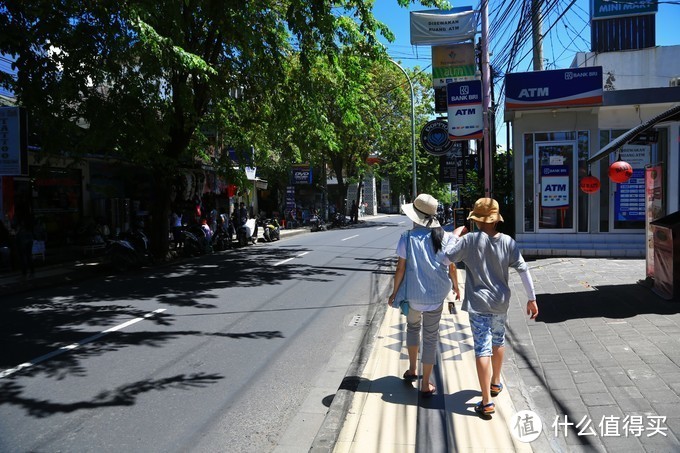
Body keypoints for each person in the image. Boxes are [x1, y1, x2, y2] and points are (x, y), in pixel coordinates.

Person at [444, 198, 538, 417]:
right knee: (498, 340)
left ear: (476, 220)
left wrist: (454, 236)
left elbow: (446, 257)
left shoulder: (468, 240)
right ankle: (496, 383)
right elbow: (523, 270)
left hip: (478, 303)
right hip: (500, 302)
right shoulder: (508, 241)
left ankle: (486, 401)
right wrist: (532, 298)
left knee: (482, 348)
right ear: (496, 220)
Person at [388, 193, 460, 397]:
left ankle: (412, 369)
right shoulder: (444, 237)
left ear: (414, 217)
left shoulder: (407, 238)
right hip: (436, 296)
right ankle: (425, 383)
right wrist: (456, 286)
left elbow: (400, 270)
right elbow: (452, 267)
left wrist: (394, 293)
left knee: (412, 327)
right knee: (430, 338)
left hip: (413, 297)